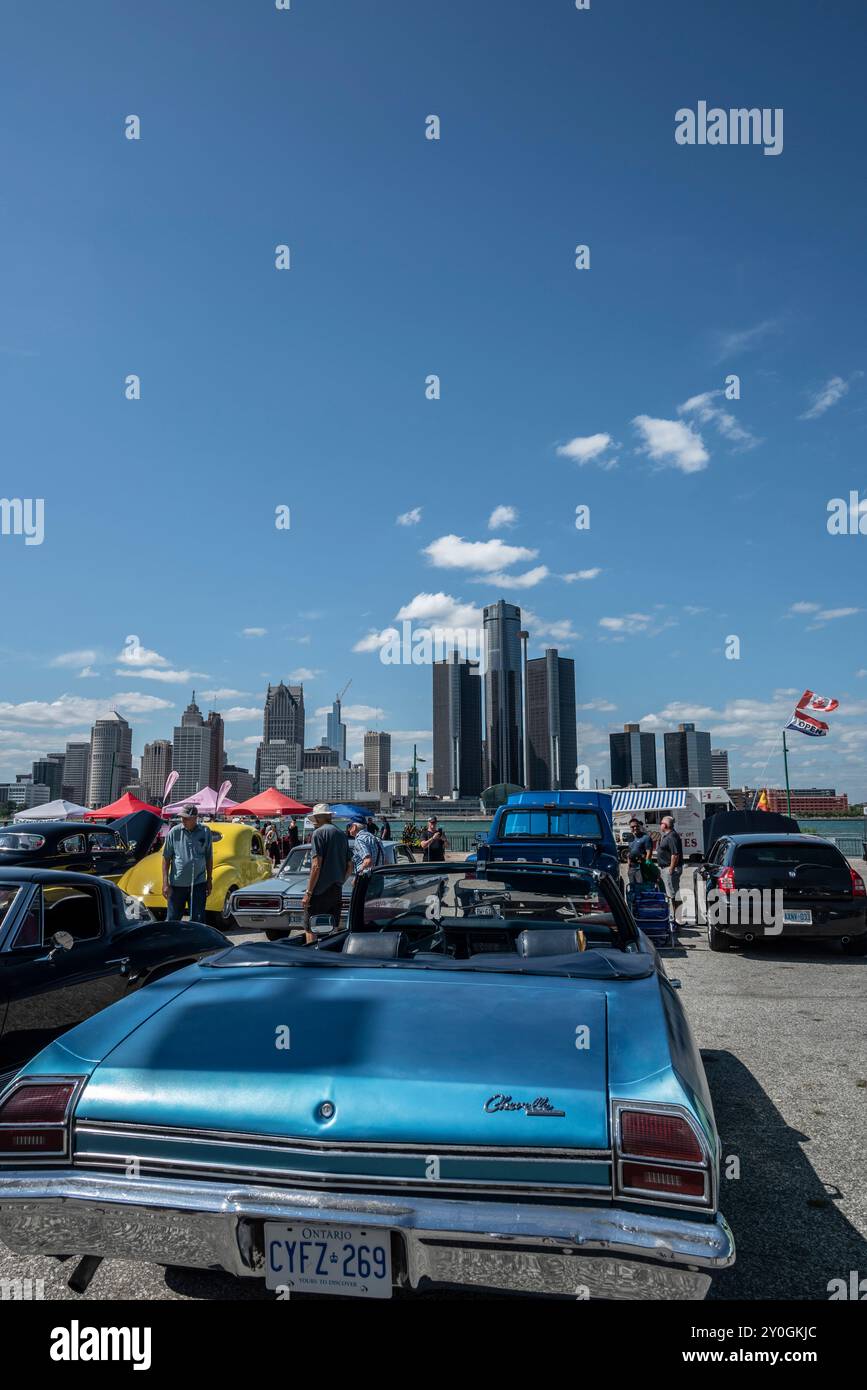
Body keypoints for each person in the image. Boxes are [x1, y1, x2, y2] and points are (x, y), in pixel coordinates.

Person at [300, 804, 351, 944]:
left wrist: (308, 893)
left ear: (321, 817)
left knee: (310, 926)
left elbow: (316, 866)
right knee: (332, 927)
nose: (314, 819)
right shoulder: (341, 834)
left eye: (316, 816)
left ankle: (312, 958)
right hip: (336, 889)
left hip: (319, 890)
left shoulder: (318, 833)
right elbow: (350, 866)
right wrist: (340, 880)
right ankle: (330, 954)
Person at [162, 805, 213, 923]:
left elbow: (209, 857)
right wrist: (165, 883)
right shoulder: (174, 832)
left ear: (195, 818)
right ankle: (172, 941)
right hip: (177, 884)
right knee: (172, 919)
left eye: (186, 818)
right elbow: (166, 858)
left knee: (198, 919)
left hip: (198, 883)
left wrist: (209, 879)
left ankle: (196, 941)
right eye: (182, 817)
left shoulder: (205, 832)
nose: (183, 820)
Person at [656, 815, 683, 911]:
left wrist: (671, 868)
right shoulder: (667, 835)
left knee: (673, 894)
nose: (660, 825)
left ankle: (678, 917)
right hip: (666, 868)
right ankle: (674, 915)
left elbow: (675, 854)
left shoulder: (672, 836)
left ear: (665, 825)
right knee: (670, 893)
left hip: (670, 868)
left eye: (661, 823)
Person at [626, 817, 653, 886]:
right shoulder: (630, 837)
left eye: (637, 826)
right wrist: (628, 864)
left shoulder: (646, 837)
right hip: (632, 867)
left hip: (640, 866)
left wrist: (646, 865)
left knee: (641, 886)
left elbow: (649, 852)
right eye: (632, 827)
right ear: (630, 827)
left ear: (639, 826)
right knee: (632, 886)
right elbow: (629, 851)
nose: (635, 828)